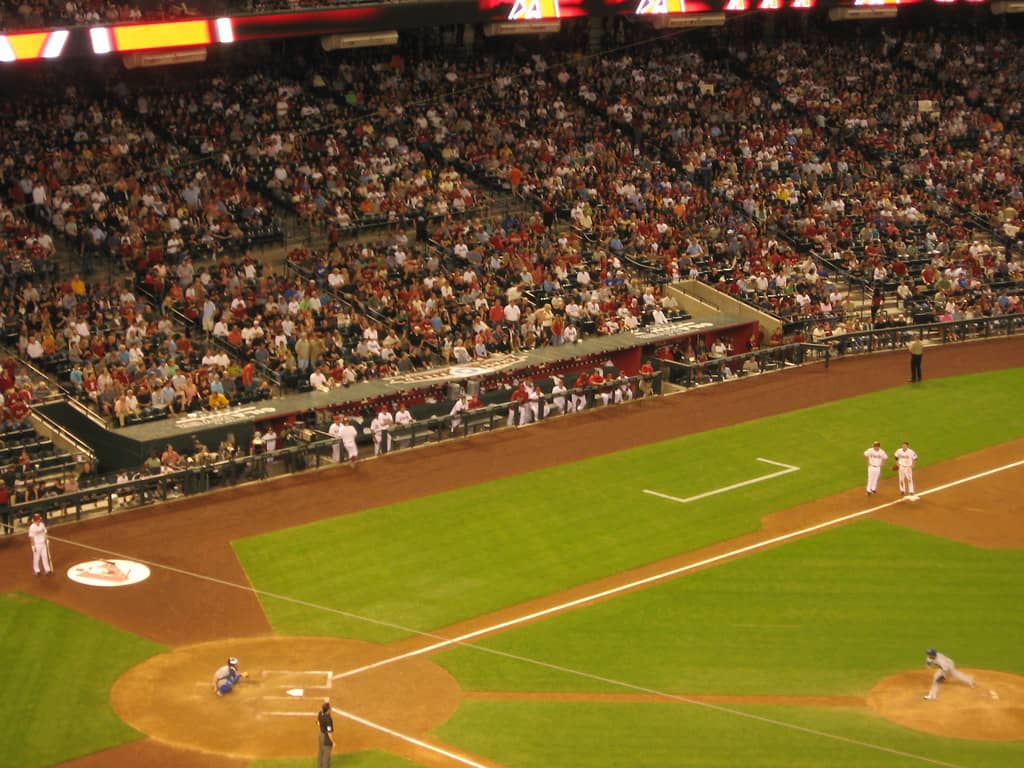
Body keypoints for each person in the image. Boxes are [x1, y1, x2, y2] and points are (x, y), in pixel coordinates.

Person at [316, 698, 335, 768]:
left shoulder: (320, 713)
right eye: (330, 708)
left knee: (321, 753)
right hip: (326, 738)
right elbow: (329, 732)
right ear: (328, 710)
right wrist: (333, 742)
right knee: (326, 757)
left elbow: (317, 723)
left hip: (321, 735)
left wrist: (326, 703)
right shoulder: (328, 719)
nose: (331, 709)